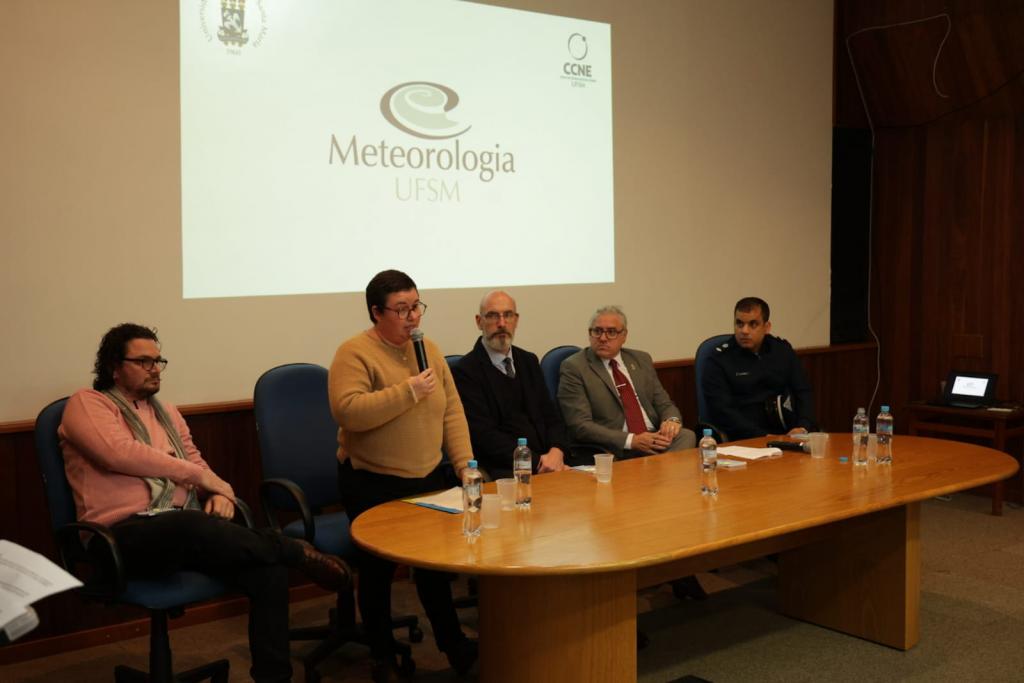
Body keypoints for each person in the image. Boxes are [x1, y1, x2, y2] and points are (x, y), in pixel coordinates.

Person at [60, 323, 351, 683]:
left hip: (184, 534)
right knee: (188, 523)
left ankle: (274, 677)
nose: (155, 369)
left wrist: (217, 493)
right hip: (118, 538)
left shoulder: (167, 412)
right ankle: (293, 550)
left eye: (158, 361)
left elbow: (195, 463)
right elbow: (119, 453)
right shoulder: (87, 404)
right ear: (114, 367)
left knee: (268, 572)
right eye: (143, 361)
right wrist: (203, 480)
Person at [329, 270, 477, 681]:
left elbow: (451, 411)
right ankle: (382, 656)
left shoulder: (428, 348)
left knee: (433, 567)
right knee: (376, 571)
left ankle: (454, 646)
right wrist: (408, 391)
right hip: (372, 480)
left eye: (416, 306)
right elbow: (349, 412)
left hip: (425, 476)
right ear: (377, 313)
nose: (413, 317)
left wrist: (465, 465)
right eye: (402, 309)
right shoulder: (354, 353)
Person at [451, 290, 569, 479]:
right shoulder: (465, 371)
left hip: (551, 464)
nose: (501, 323)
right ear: (479, 321)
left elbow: (551, 416)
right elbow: (484, 437)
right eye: (492, 316)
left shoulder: (529, 361)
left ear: (516, 320)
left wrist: (557, 451)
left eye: (508, 315)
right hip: (505, 470)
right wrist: (537, 462)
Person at [558, 305, 696, 459]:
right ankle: (659, 468)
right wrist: (631, 441)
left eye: (611, 332)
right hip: (615, 445)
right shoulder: (574, 367)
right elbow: (580, 425)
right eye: (597, 331)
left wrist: (672, 421)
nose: (602, 338)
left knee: (686, 436)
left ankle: (655, 468)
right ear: (589, 334)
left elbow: (664, 404)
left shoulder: (641, 359)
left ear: (624, 335)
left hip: (653, 437)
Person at [702, 297, 816, 440]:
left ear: (766, 327)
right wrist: (763, 436)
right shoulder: (719, 359)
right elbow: (722, 411)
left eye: (753, 324)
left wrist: (803, 426)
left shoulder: (781, 351)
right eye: (739, 323)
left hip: (788, 432)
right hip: (745, 436)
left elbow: (803, 391)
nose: (744, 331)